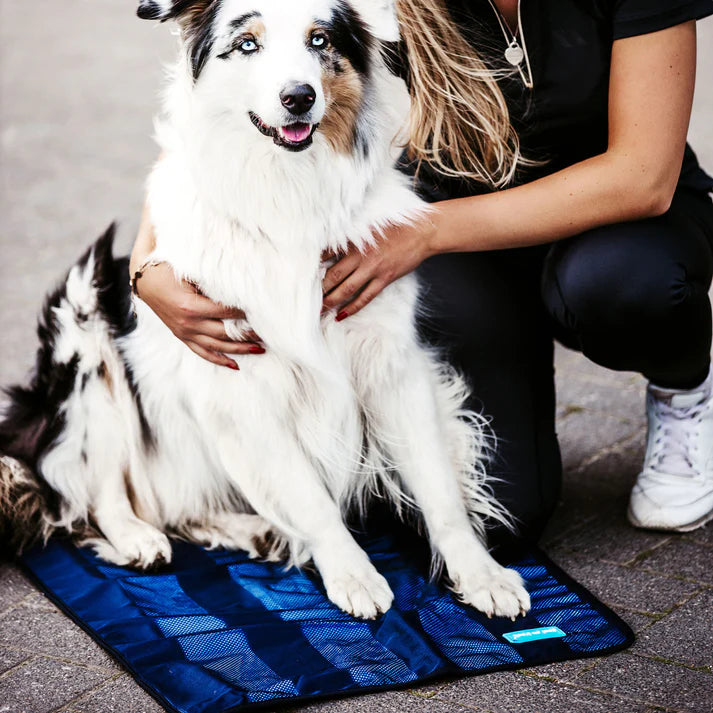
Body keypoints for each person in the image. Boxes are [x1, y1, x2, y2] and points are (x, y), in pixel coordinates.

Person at [131, 0, 713, 544]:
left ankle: (685, 392)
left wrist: (424, 232)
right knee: (503, 517)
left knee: (622, 287)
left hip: (613, 221)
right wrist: (145, 264)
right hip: (463, 221)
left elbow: (642, 175)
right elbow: (211, 91)